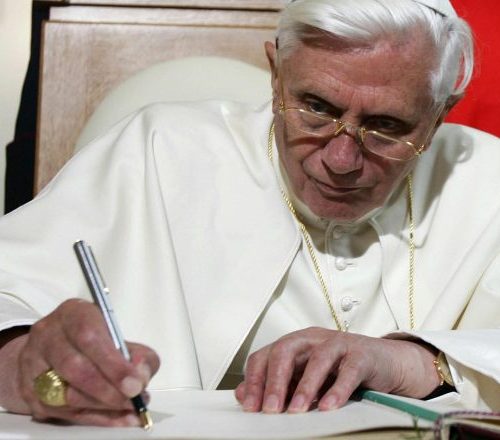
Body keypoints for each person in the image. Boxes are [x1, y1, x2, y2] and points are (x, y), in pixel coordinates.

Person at [0, 0, 499, 428]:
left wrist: (416, 362)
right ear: (276, 74)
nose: (341, 159)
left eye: (386, 126)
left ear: (438, 115)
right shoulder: (158, 150)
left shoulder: (487, 180)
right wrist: (24, 358)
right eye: (316, 107)